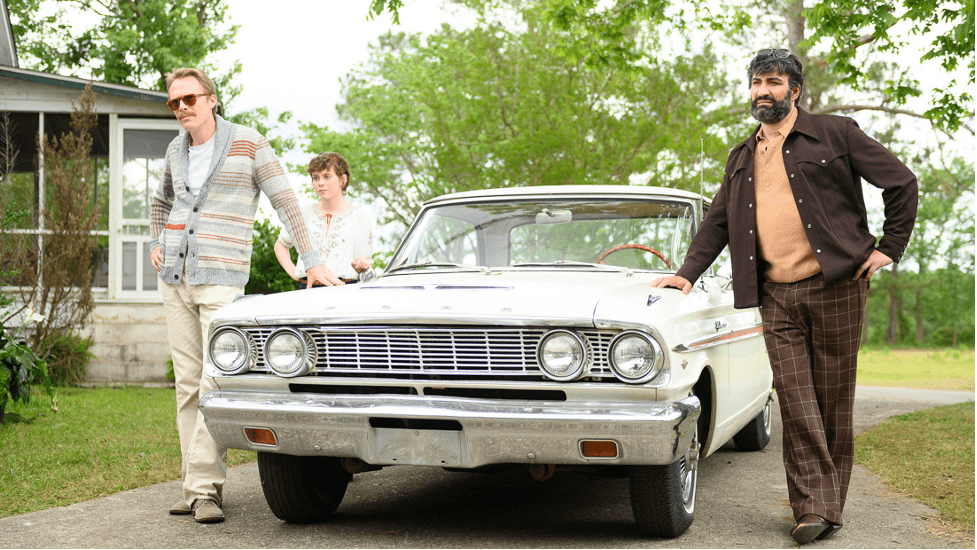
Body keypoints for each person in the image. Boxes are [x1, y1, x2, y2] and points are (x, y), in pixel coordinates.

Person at [651, 49, 917, 544]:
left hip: (837, 287)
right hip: (776, 296)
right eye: (755, 82)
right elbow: (717, 224)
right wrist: (686, 275)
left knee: (832, 401)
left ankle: (826, 504)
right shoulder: (741, 157)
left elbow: (901, 183)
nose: (761, 91)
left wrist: (889, 248)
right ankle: (811, 509)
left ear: (794, 90)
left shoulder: (836, 133)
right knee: (796, 401)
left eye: (772, 82)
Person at [148, 67, 337, 524]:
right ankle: (199, 488)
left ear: (212, 99)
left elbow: (286, 200)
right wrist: (157, 242)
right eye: (174, 102)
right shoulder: (176, 149)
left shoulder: (249, 142)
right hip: (175, 276)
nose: (182, 108)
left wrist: (311, 259)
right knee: (188, 385)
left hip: (221, 277)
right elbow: (160, 202)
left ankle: (201, 489)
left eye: (190, 99)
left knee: (217, 381)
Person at [274, 152, 375, 288]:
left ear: (342, 180)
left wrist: (361, 265)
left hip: (344, 290)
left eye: (327, 176)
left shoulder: (360, 217)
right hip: (307, 290)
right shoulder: (304, 212)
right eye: (316, 178)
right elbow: (281, 244)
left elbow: (364, 261)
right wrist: (294, 273)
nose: (320, 183)